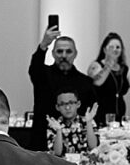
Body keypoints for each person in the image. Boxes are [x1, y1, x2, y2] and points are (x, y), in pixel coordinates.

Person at [28, 24, 96, 152]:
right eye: (59, 51)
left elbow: (89, 115)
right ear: (53, 53)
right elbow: (35, 68)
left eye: (68, 51)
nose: (64, 55)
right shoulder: (43, 76)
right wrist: (43, 45)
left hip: (77, 148)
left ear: (75, 54)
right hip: (42, 143)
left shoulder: (85, 82)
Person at [86, 32, 130, 127]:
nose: (115, 49)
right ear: (104, 49)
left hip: (119, 114)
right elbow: (97, 82)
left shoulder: (124, 69)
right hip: (100, 113)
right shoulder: (96, 65)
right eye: (111, 47)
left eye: (118, 47)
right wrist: (109, 64)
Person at [48, 90, 98, 157]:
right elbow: (57, 153)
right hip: (63, 164)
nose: (67, 107)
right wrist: (59, 130)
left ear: (78, 104)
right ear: (57, 107)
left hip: (85, 164)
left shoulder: (87, 120)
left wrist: (88, 123)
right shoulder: (54, 124)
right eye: (62, 104)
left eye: (71, 103)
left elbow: (93, 146)